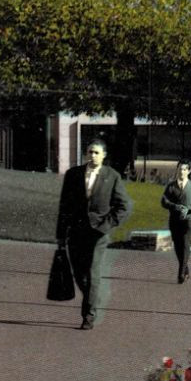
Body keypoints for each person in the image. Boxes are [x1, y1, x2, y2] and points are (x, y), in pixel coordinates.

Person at [55, 139, 131, 330]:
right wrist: (61, 234)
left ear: (104, 155)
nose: (93, 155)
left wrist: (106, 225)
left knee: (92, 273)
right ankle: (91, 297)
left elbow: (124, 206)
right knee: (79, 274)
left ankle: (89, 314)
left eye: (97, 152)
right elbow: (64, 206)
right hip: (76, 231)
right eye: (90, 152)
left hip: (97, 233)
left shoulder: (112, 176)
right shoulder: (73, 174)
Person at [159, 161, 191, 283]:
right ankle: (185, 268)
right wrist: (174, 206)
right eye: (180, 169)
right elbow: (164, 201)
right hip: (174, 220)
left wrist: (188, 210)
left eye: (184, 169)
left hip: (189, 220)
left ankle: (181, 273)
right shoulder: (171, 186)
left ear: (189, 171)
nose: (182, 172)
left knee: (185, 244)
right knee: (178, 245)